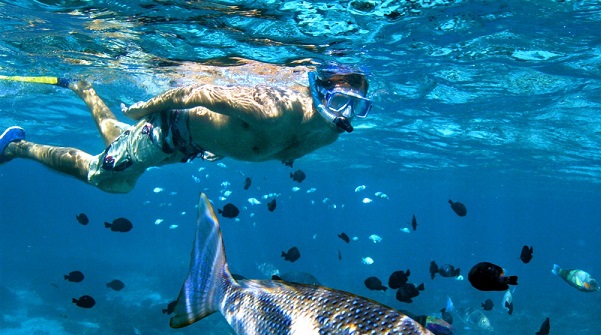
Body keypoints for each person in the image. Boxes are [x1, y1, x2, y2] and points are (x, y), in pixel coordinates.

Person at [0, 64, 371, 193]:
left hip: (191, 145)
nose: (346, 113)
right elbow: (200, 92)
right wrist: (146, 108)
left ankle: (84, 89)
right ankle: (15, 147)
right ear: (317, 89)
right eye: (340, 100)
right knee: (109, 179)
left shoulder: (333, 130)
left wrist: (220, 144)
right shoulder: (273, 110)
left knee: (117, 142)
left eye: (357, 107)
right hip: (169, 131)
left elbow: (267, 146)